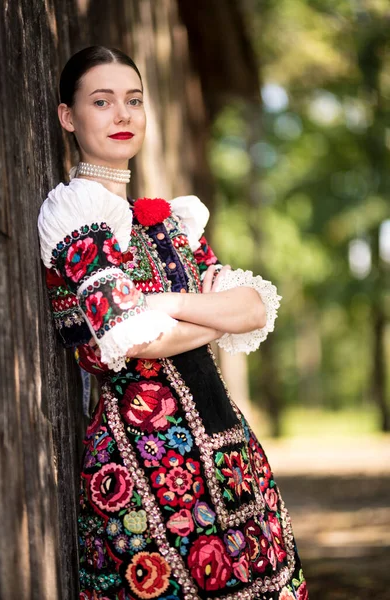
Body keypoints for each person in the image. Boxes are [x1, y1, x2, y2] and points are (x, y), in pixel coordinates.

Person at [37, 46, 308, 600]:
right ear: (69, 117)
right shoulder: (74, 216)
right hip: (142, 470)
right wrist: (203, 317)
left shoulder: (167, 222)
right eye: (102, 101)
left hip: (231, 457)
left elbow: (254, 307)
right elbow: (135, 338)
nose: (122, 115)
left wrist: (163, 301)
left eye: (133, 100)